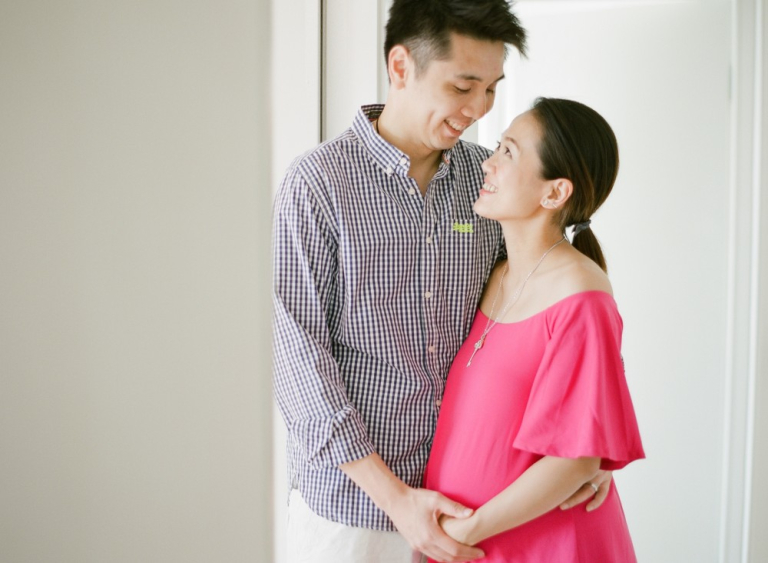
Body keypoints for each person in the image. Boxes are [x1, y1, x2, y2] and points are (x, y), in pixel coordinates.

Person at [272, 2, 612, 561]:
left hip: (470, 511)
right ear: (401, 67)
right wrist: (397, 499)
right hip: (355, 511)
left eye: (491, 89)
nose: (478, 109)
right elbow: (297, 359)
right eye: (463, 86)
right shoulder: (318, 185)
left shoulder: (488, 180)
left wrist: (587, 446)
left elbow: (552, 297)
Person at [423, 97, 646, 562]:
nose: (488, 163)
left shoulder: (580, 295)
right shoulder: (492, 271)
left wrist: (468, 530)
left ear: (554, 193)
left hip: (545, 545)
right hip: (473, 543)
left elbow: (576, 459)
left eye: (508, 152)